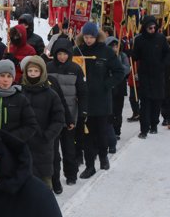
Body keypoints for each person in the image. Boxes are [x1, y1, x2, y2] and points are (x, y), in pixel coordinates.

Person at [73, 22, 125, 177]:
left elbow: (119, 72)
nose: (89, 40)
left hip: (102, 100)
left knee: (102, 132)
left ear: (97, 36)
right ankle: (90, 166)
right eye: (86, 37)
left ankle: (103, 157)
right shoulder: (78, 51)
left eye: (91, 37)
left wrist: (106, 85)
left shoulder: (106, 52)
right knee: (87, 135)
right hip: (84, 100)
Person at [20, 55, 66, 193]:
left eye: (36, 71)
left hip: (43, 145)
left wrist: (47, 136)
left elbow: (58, 119)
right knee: (24, 178)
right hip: (24, 142)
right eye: (30, 71)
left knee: (44, 182)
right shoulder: (20, 92)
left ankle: (45, 209)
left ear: (42, 73)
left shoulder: (51, 95)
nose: (33, 74)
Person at [46, 38, 88, 187]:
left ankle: (71, 174)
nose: (62, 57)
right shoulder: (48, 67)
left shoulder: (76, 69)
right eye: (59, 54)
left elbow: (82, 92)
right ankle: (53, 176)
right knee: (53, 150)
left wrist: (82, 111)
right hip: (51, 116)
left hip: (70, 114)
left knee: (69, 147)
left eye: (65, 54)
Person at [0, 59, 38, 143]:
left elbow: (31, 126)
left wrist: (11, 138)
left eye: (9, 76)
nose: (6, 79)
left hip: (12, 148)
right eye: (2, 75)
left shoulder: (20, 99)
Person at [132, 16, 170, 139]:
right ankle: (144, 129)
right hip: (145, 75)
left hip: (158, 75)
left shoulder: (161, 38)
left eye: (154, 27)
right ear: (145, 27)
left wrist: (163, 64)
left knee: (156, 102)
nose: (152, 30)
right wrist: (130, 52)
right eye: (150, 28)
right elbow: (135, 56)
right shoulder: (139, 40)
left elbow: (167, 53)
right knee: (145, 103)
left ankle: (154, 124)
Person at [105, 36, 130, 152]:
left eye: (116, 46)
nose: (115, 48)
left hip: (120, 86)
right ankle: (109, 131)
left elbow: (126, 68)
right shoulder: (106, 56)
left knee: (118, 110)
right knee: (109, 109)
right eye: (112, 46)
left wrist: (117, 69)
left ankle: (117, 130)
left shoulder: (122, 56)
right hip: (109, 87)